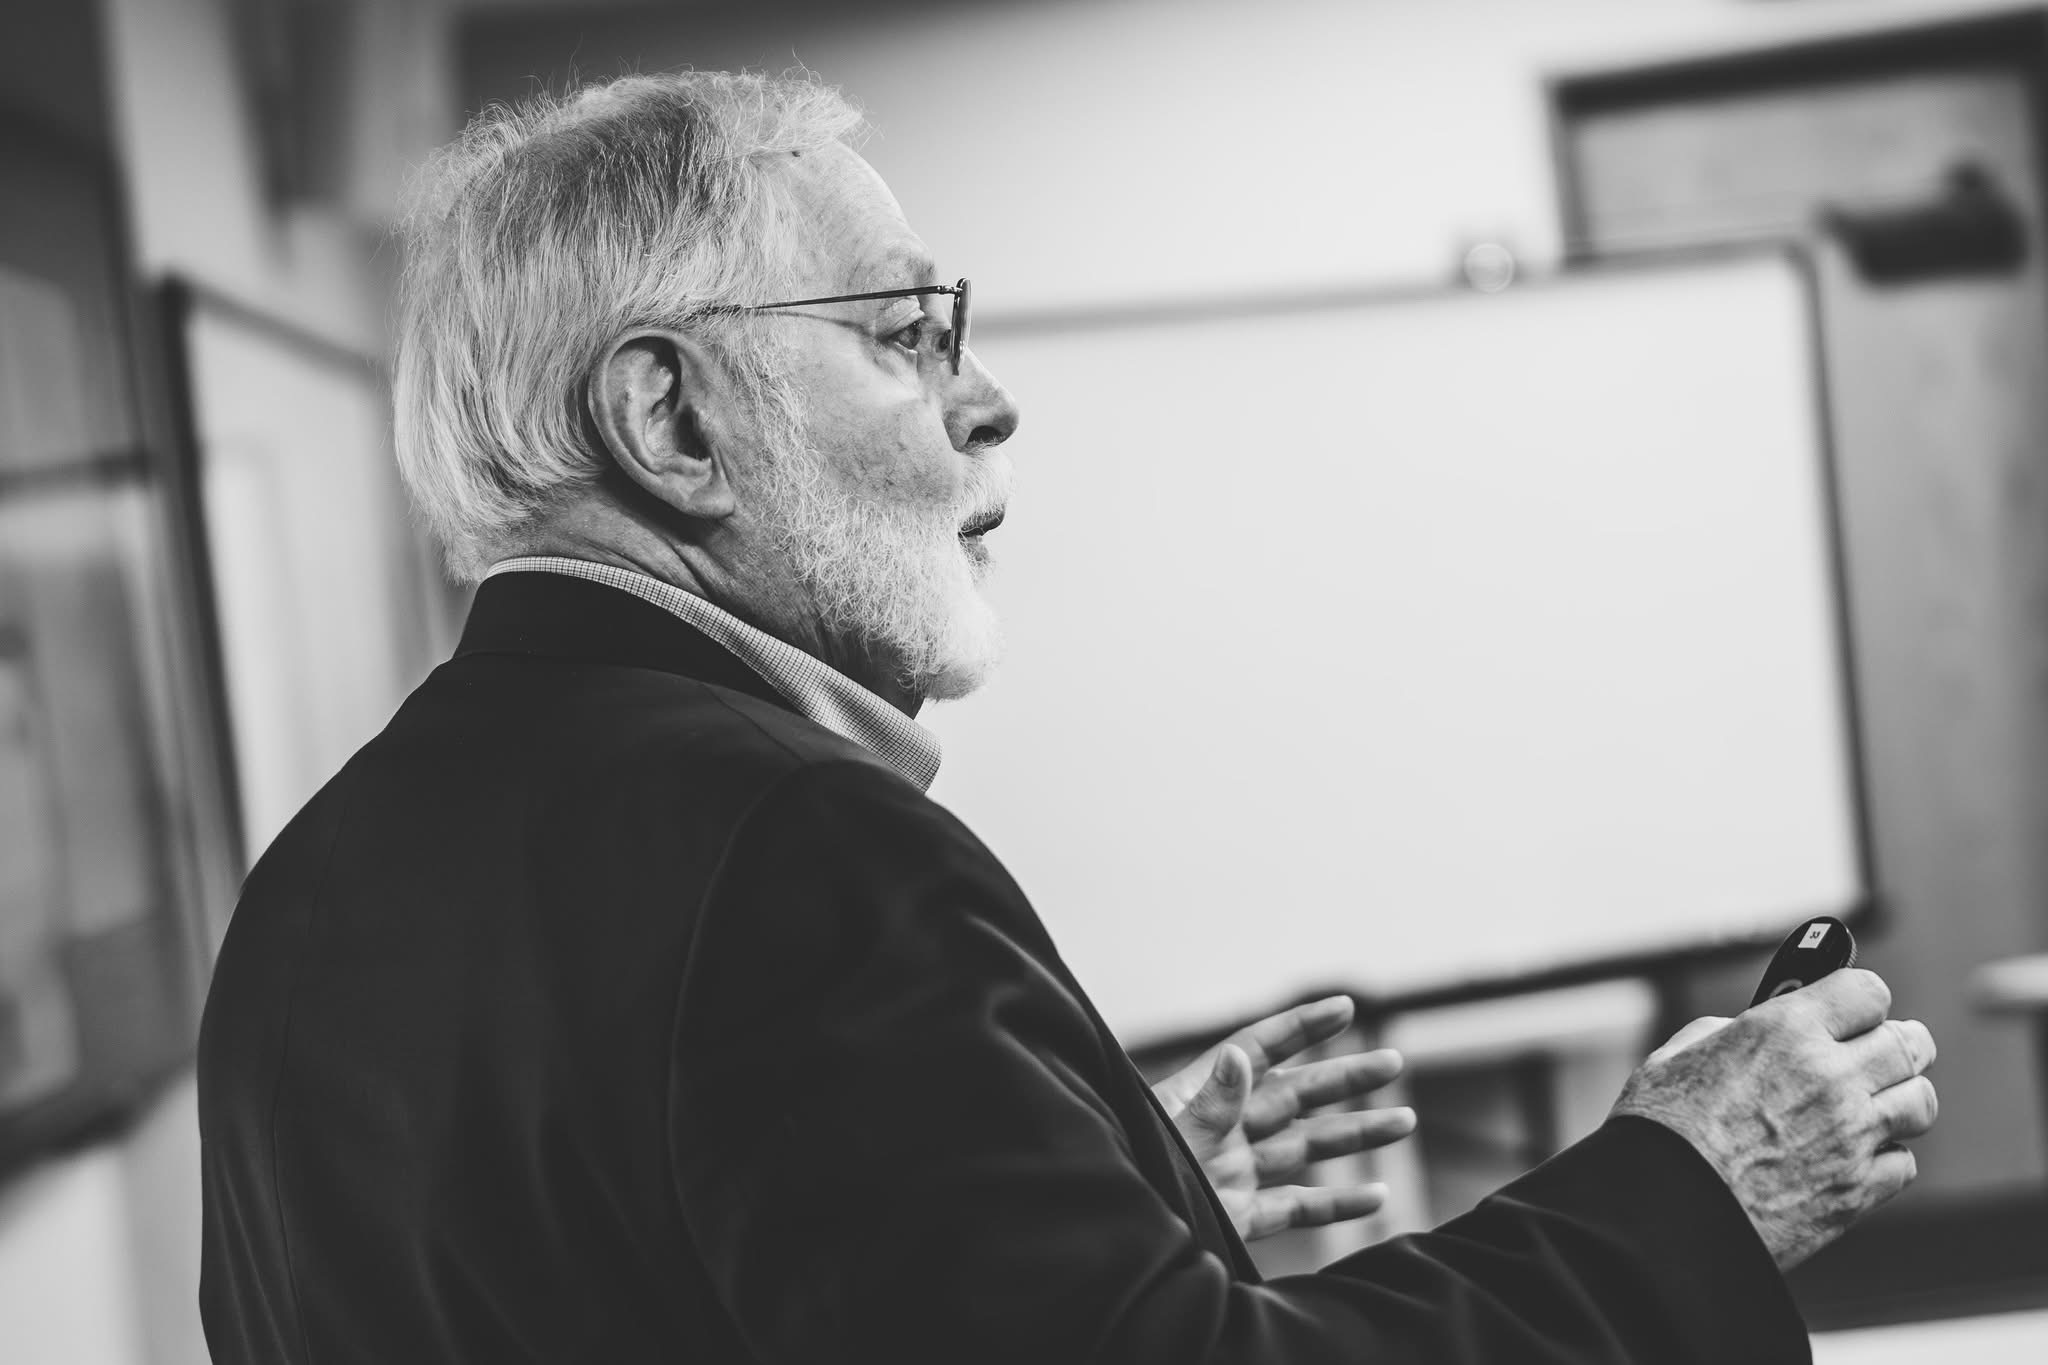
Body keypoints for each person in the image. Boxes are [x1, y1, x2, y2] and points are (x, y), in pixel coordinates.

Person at [197, 70, 1938, 1364]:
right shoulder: (797, 852)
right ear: (671, 420)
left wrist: (1101, 1209)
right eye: (906, 334)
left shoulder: (309, 895)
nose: (992, 401)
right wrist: (1692, 1188)